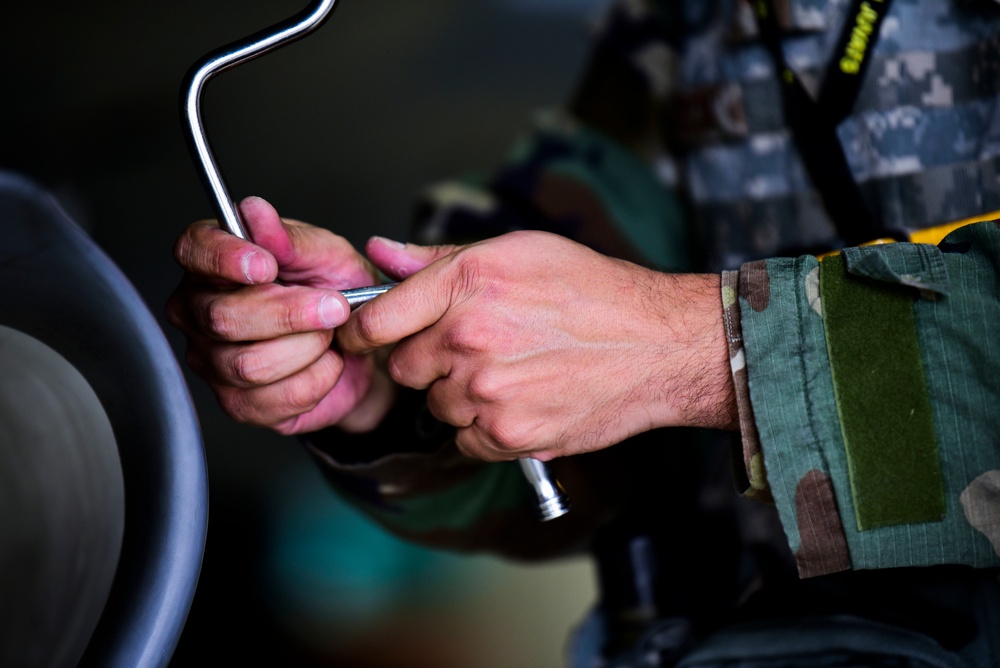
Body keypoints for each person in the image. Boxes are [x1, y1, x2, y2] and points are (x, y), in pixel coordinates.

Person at [168, 0, 1000, 664]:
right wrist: (383, 383)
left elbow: (639, 345)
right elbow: (572, 369)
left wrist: (700, 350)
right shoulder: (688, 27)